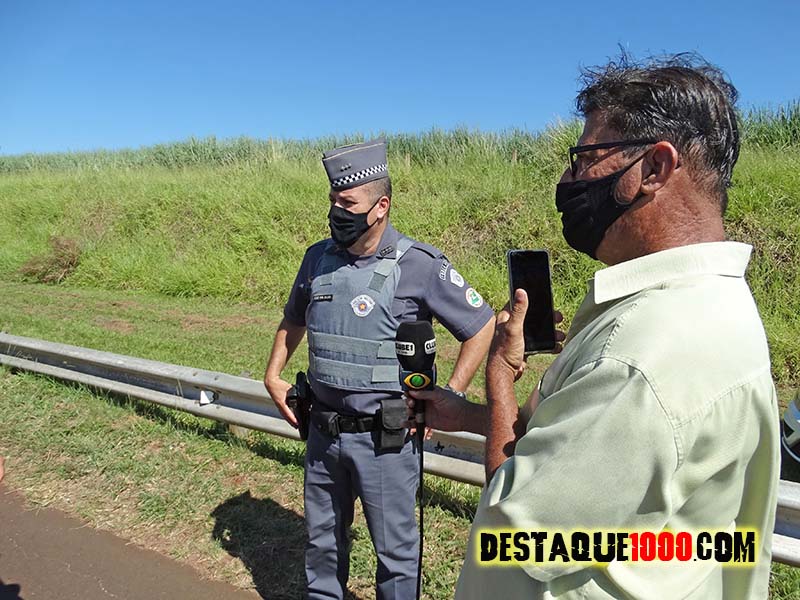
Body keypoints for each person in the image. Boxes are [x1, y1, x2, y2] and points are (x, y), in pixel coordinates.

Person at [410, 54, 780, 599]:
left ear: (654, 168)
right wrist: (466, 415)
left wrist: (500, 376)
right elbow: (575, 446)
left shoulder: (642, 357)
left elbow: (516, 529)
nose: (568, 180)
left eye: (585, 158)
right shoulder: (707, 305)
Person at [264, 139, 495, 600]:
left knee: (395, 555)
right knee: (323, 546)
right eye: (333, 200)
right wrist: (273, 374)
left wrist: (450, 393)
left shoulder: (419, 265)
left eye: (347, 203)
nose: (336, 212)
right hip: (322, 434)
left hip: (386, 441)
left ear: (381, 207)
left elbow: (481, 325)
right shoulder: (317, 258)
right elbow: (293, 318)